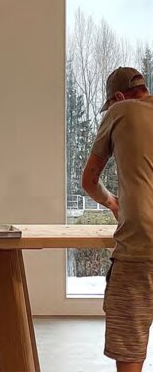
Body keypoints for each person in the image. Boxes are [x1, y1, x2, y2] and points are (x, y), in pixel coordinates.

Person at [82, 67, 153, 372]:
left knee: (130, 354)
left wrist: (113, 203)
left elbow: (89, 180)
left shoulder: (120, 110)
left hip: (139, 249)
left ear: (120, 97)